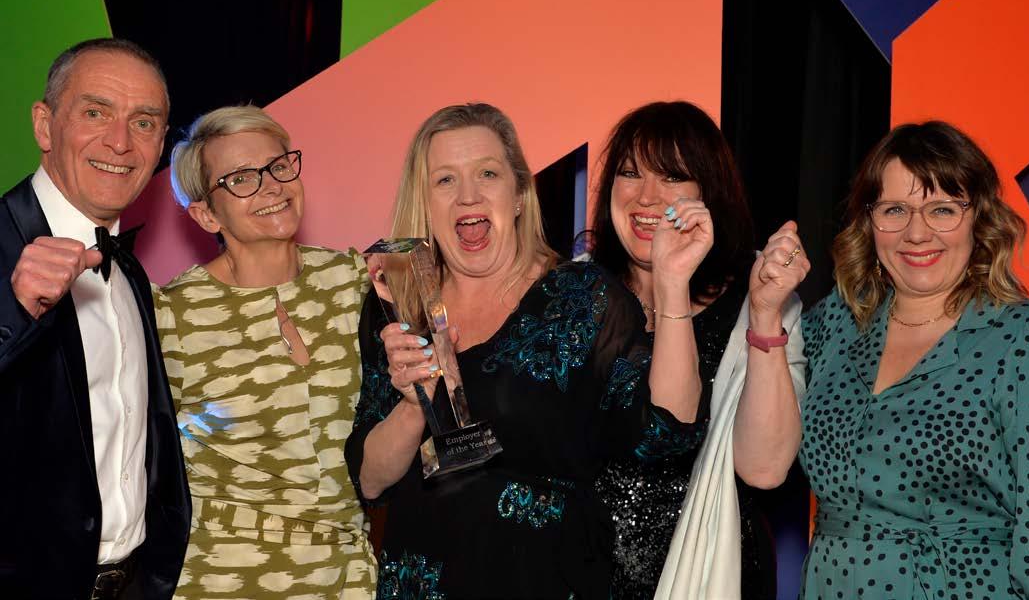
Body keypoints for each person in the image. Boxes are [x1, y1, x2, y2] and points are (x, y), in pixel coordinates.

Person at [344, 102, 706, 598]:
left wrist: (673, 284)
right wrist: (412, 406)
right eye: (445, 180)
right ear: (424, 203)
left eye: (487, 174)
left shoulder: (582, 298)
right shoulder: (397, 305)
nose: (467, 194)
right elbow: (370, 481)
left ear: (518, 195)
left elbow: (667, 432)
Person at [793, 121, 1029, 598]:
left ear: (979, 218)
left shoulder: (1020, 337)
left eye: (942, 209)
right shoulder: (833, 324)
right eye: (895, 210)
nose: (917, 232)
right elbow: (761, 462)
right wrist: (764, 317)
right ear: (869, 222)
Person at [587, 101, 807, 599]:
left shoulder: (758, 296)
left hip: (712, 575)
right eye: (629, 173)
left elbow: (765, 469)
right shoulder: (573, 294)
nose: (646, 196)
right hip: (585, 575)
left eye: (672, 176)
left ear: (710, 192)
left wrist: (765, 314)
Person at [155, 105, 376, 599]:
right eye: (241, 179)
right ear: (206, 214)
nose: (271, 186)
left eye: (278, 166)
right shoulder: (174, 314)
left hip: (348, 576)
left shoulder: (351, 279)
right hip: (225, 578)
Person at [0, 38, 190, 599]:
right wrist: (14, 314)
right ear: (44, 125)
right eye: (95, 112)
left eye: (144, 123)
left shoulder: (129, 271)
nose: (120, 142)